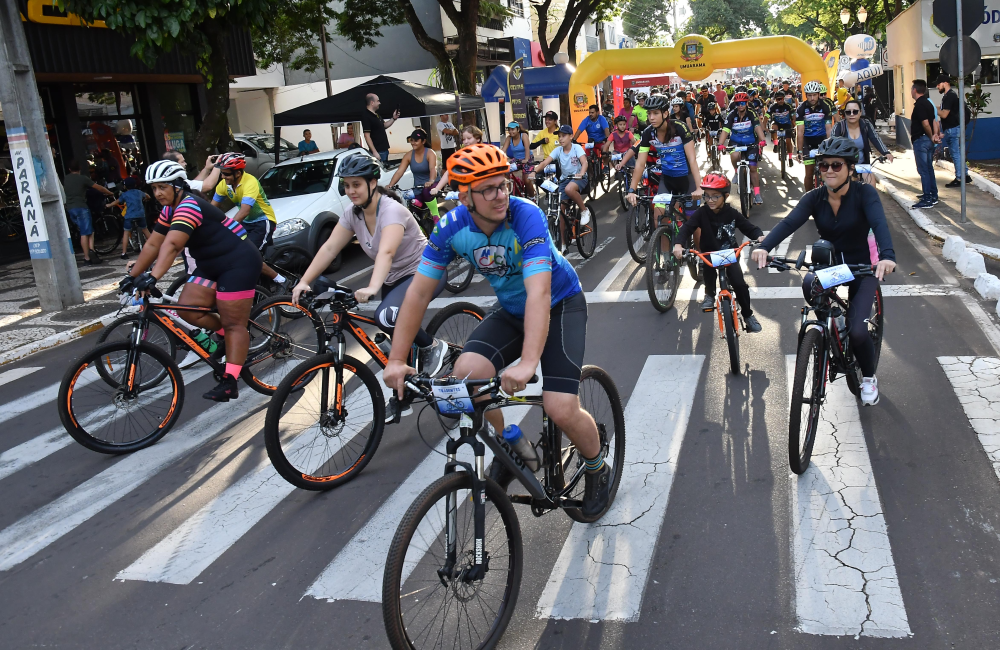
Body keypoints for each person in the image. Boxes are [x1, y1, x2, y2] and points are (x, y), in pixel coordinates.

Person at [383, 143, 611, 518]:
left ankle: (597, 465)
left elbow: (539, 293)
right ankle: (510, 446)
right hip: (511, 310)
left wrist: (528, 362)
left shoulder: (527, 217)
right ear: (464, 195)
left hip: (560, 303)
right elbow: (418, 294)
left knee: (559, 407)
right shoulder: (451, 228)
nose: (500, 195)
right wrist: (395, 360)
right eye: (488, 188)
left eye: (503, 184)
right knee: (467, 376)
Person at [291, 152, 448, 418]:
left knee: (387, 317)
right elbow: (330, 248)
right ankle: (405, 395)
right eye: (347, 185)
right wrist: (304, 281)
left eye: (356, 185)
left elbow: (386, 253)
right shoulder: (354, 214)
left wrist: (372, 288)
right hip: (394, 278)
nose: (351, 191)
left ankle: (432, 346)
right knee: (396, 332)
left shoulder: (392, 209)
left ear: (373, 183)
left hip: (424, 272)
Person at [752, 137, 896, 406]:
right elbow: (789, 222)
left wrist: (887, 257)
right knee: (809, 284)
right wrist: (766, 247)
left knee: (859, 332)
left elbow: (880, 225)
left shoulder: (865, 194)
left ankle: (867, 377)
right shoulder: (814, 197)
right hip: (832, 266)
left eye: (836, 165)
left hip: (863, 268)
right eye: (823, 166)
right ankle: (831, 329)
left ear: (851, 168)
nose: (829, 170)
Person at [126, 159, 263, 402]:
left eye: (163, 187)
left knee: (234, 324)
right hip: (210, 263)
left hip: (238, 262)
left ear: (178, 186)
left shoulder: (189, 206)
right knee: (188, 310)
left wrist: (153, 277)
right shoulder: (169, 209)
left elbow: (172, 245)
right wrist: (133, 276)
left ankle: (230, 381)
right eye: (154, 188)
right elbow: (153, 243)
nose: (157, 193)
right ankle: (226, 336)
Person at [676, 174, 765, 326]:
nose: (710, 200)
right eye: (707, 196)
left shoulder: (732, 213)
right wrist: (678, 244)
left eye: (715, 197)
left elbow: (749, 228)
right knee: (708, 275)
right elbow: (687, 228)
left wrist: (760, 237)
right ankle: (709, 294)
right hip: (709, 254)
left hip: (730, 254)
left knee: (740, 284)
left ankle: (747, 315)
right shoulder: (702, 213)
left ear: (726, 196)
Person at [211, 153, 288, 290]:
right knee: (234, 252)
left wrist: (226, 228)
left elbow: (245, 211)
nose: (223, 177)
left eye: (227, 174)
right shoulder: (224, 185)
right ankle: (259, 287)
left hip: (263, 221)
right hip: (247, 222)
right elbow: (212, 209)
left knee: (249, 255)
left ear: (238, 173)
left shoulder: (250, 182)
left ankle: (281, 280)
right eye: (222, 173)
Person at [626, 94, 703, 222]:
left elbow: (692, 160)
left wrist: (699, 187)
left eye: (656, 113)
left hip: (687, 180)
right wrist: (632, 190)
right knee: (659, 216)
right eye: (649, 113)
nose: (651, 117)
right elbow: (640, 164)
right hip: (667, 180)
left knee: (693, 225)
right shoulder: (647, 133)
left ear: (666, 113)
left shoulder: (680, 128)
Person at [533, 124, 591, 248]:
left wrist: (581, 173)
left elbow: (584, 162)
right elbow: (544, 163)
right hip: (565, 180)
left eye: (563, 136)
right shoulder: (558, 150)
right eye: (559, 136)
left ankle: (584, 210)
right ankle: (563, 244)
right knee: (560, 210)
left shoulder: (576, 148)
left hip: (579, 178)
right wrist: (534, 172)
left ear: (571, 136)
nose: (560, 139)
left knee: (569, 189)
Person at [718, 91, 768, 204]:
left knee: (753, 167)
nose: (740, 105)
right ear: (735, 104)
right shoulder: (732, 114)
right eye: (738, 103)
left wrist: (763, 140)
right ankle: (736, 171)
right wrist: (720, 144)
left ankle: (757, 194)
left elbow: (757, 127)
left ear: (746, 103)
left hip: (751, 141)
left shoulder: (751, 113)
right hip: (736, 141)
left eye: (743, 103)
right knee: (734, 155)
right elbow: (726, 130)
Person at [63, 159, 113, 265]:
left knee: (89, 230)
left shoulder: (66, 178)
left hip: (71, 208)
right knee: (85, 233)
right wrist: (109, 192)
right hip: (81, 208)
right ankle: (87, 258)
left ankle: (92, 252)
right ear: (80, 168)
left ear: (69, 169)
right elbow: (98, 187)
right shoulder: (83, 178)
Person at [832, 98, 893, 184]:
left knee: (871, 184)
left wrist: (886, 152)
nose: (852, 114)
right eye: (848, 112)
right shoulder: (839, 126)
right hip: (844, 166)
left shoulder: (866, 124)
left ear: (860, 112)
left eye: (855, 111)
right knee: (845, 188)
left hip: (862, 164)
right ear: (844, 114)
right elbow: (832, 144)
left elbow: (875, 138)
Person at [387, 128, 441, 218]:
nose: (413, 143)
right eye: (411, 140)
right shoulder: (408, 155)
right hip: (418, 187)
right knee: (414, 210)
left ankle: (436, 216)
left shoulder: (430, 153)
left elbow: (433, 169)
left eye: (416, 140)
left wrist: (431, 181)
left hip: (433, 184)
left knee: (426, 191)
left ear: (423, 141)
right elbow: (400, 172)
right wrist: (390, 185)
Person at [935, 73, 973, 188]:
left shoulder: (949, 96)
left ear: (945, 83)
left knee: (955, 153)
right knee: (957, 153)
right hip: (953, 128)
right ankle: (965, 175)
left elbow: (944, 114)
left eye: (938, 84)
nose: (937, 86)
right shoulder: (949, 96)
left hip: (952, 129)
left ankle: (959, 177)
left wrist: (933, 108)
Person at [796, 81, 834, 191]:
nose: (812, 98)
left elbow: (828, 129)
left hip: (822, 139)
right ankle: (809, 199)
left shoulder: (825, 106)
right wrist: (799, 151)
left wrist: (830, 145)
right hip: (807, 141)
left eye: (814, 95)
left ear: (818, 94)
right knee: (809, 173)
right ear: (806, 95)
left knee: (827, 170)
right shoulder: (801, 109)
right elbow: (800, 132)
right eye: (809, 95)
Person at [910, 79, 939, 208]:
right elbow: (934, 121)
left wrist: (931, 136)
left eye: (911, 89)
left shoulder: (920, 105)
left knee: (923, 170)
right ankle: (933, 194)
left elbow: (926, 123)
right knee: (928, 168)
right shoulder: (928, 103)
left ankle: (927, 198)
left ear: (915, 90)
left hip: (922, 140)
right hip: (928, 140)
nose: (911, 91)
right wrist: (935, 135)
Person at [430, 126, 484, 196]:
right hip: (466, 193)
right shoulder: (462, 155)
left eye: (469, 138)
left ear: (478, 139)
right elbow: (450, 171)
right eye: (464, 139)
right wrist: (437, 188)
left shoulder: (485, 152)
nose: (466, 142)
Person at [108, 177, 151, 258]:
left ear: (125, 186)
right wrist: (146, 199)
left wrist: (109, 205)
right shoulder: (139, 192)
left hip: (129, 216)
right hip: (140, 215)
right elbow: (148, 196)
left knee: (126, 233)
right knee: (145, 230)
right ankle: (155, 247)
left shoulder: (124, 194)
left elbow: (116, 202)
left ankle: (124, 253)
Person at [361, 93, 400, 164]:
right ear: (372, 103)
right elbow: (367, 135)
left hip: (384, 150)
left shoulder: (376, 114)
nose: (380, 103)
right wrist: (374, 152)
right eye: (378, 101)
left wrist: (393, 118)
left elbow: (384, 125)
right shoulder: (366, 116)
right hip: (378, 151)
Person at [501, 121, 534, 198]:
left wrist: (526, 159)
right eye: (509, 129)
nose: (510, 131)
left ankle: (532, 197)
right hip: (517, 160)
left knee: (527, 180)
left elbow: (527, 148)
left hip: (528, 158)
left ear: (518, 130)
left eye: (513, 129)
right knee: (505, 171)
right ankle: (509, 190)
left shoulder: (523, 135)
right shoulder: (509, 138)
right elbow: (503, 150)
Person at [767, 91, 795, 167]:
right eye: (778, 99)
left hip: (787, 124)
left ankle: (790, 158)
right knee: (773, 127)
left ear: (784, 99)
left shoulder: (788, 106)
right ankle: (776, 144)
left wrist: (795, 127)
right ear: (776, 100)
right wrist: (764, 128)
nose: (780, 101)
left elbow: (793, 118)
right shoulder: (773, 106)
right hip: (777, 123)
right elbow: (766, 116)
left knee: (789, 141)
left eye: (781, 99)